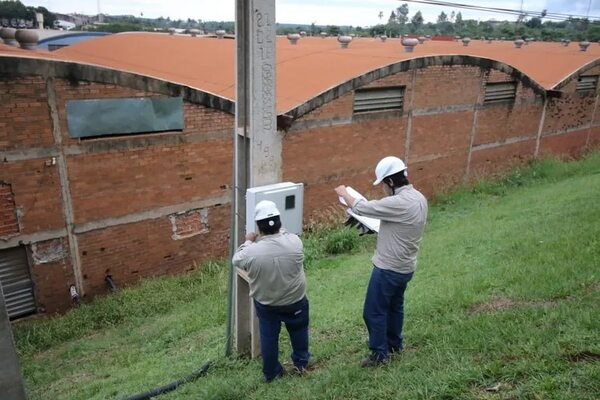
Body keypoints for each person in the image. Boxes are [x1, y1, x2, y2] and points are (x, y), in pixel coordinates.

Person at [335, 156, 428, 367]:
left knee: (373, 312)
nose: (384, 189)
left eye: (384, 184)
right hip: (406, 266)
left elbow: (360, 208)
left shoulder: (397, 202)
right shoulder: (419, 198)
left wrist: (343, 193)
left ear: (391, 182)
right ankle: (395, 345)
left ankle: (379, 355)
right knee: (395, 308)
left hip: (388, 268)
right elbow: (399, 226)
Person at [232, 200, 311, 382]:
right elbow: (283, 235)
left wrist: (248, 240)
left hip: (268, 305)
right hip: (296, 301)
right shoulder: (295, 242)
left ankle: (271, 373)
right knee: (299, 332)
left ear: (259, 227)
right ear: (279, 222)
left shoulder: (251, 252)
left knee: (269, 338)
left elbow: (236, 260)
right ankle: (301, 363)